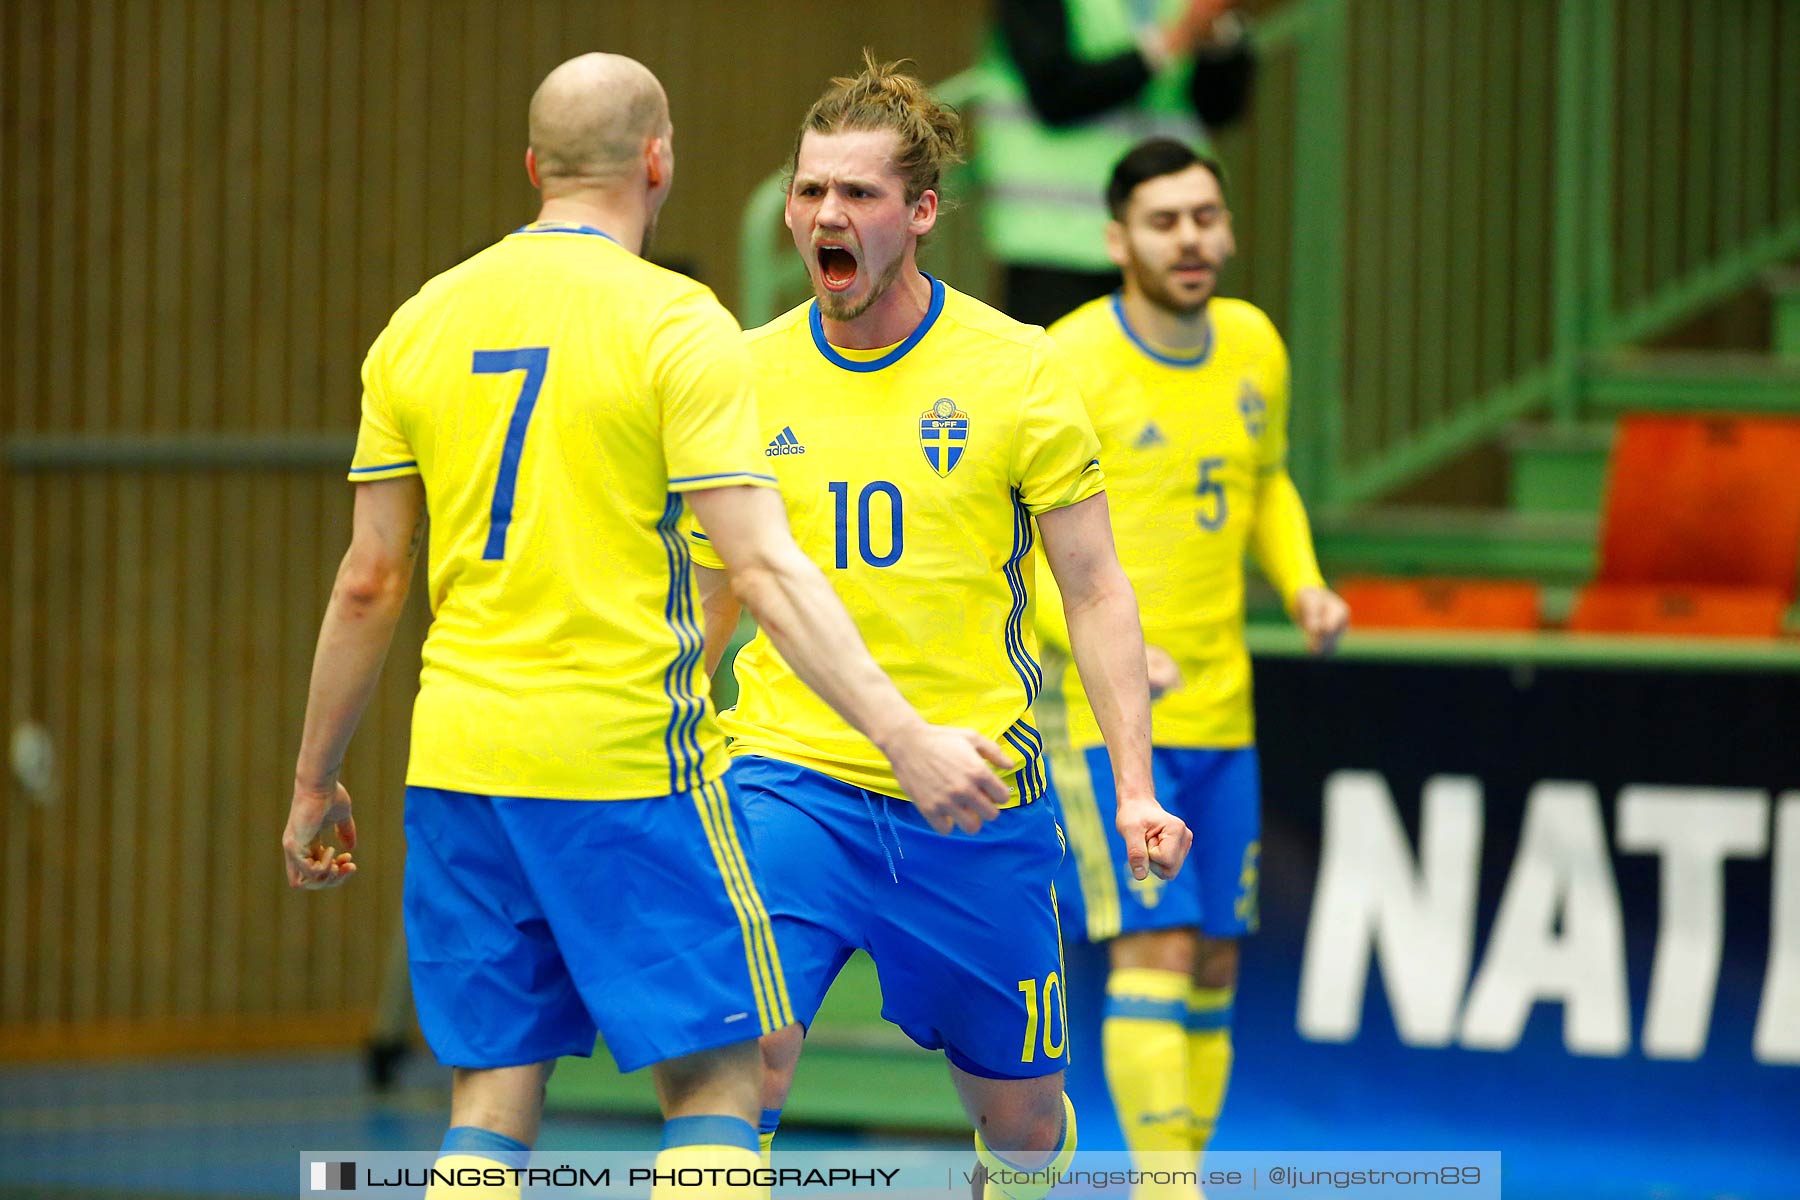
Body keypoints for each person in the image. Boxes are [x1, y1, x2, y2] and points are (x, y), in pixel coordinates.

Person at [279, 52, 1016, 1200]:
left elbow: (370, 581)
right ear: (658, 162)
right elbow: (763, 564)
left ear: (534, 167)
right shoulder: (679, 325)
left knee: (489, 1105)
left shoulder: (422, 321)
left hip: (460, 764)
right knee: (718, 1090)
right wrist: (908, 738)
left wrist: (314, 780)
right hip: (623, 763)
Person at [686, 55, 1192, 1200]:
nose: (826, 215)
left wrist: (1134, 788)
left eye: (858, 194)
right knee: (742, 1070)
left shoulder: (1020, 369)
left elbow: (1096, 587)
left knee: (1021, 1126)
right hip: (786, 777)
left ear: (920, 212)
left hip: (974, 792)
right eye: (810, 191)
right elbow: (715, 592)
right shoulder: (742, 374)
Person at [1035, 138, 1349, 1195]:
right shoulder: (1069, 360)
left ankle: (1178, 1174)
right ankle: (1165, 1186)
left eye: (1207, 216)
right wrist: (1114, 647)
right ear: (1117, 239)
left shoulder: (1255, 343)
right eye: (1166, 221)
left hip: (1225, 711)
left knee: (1213, 961)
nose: (1193, 239)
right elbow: (1015, 535)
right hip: (1107, 718)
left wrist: (1300, 582)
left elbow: (1267, 483)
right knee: (1153, 951)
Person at [975, 0, 1256, 328]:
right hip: (1058, 243)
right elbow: (1054, 94)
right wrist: (1170, 42)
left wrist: (1215, 34)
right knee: (1064, 373)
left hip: (1166, 237)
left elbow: (1220, 108)